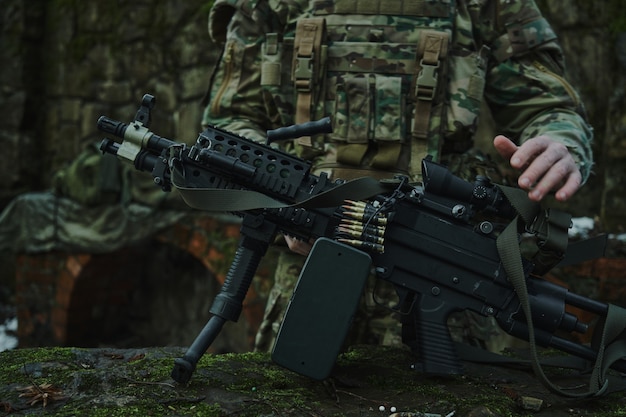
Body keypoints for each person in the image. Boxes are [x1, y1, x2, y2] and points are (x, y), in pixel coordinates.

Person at [200, 0, 593, 353]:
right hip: (308, 278)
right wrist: (284, 198)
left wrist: (559, 142)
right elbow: (228, 122)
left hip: (445, 271)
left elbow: (549, 107)